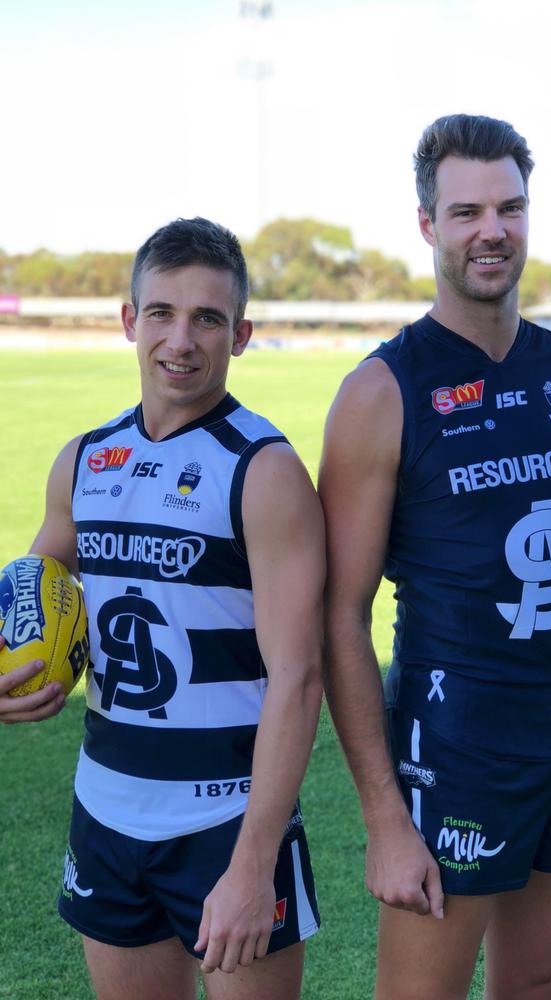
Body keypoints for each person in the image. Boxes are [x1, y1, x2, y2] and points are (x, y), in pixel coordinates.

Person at [318, 114, 551, 1000]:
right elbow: (342, 612)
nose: (491, 230)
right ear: (428, 225)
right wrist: (384, 813)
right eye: (465, 213)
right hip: (451, 752)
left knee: (538, 982)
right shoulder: (382, 392)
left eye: (509, 208)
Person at [0, 217, 324, 1000]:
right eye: (162, 313)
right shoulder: (84, 459)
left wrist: (252, 865)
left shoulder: (264, 470)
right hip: (105, 810)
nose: (182, 340)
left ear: (240, 334)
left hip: (227, 821)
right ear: (127, 320)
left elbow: (299, 676)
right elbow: (32, 581)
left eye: (208, 318)